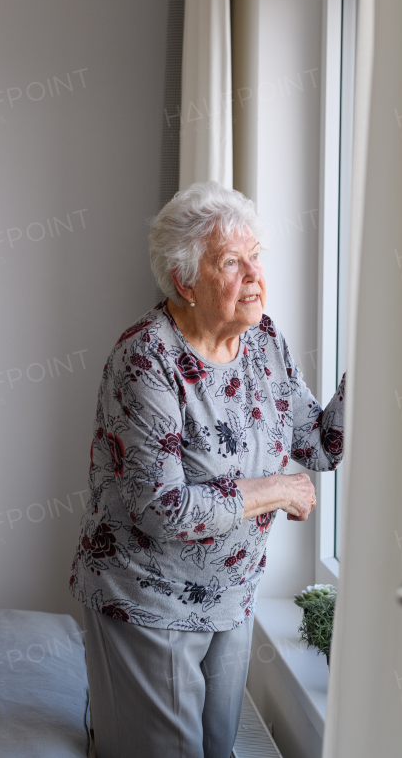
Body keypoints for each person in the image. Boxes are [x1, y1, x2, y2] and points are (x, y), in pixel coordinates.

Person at [69, 181, 346, 758]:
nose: (253, 275)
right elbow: (162, 508)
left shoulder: (264, 340)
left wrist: (370, 368)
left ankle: (116, 724)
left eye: (256, 258)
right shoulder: (146, 360)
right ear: (185, 282)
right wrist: (274, 490)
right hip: (149, 596)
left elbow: (319, 445)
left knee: (216, 750)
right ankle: (114, 718)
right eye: (231, 262)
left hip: (232, 596)